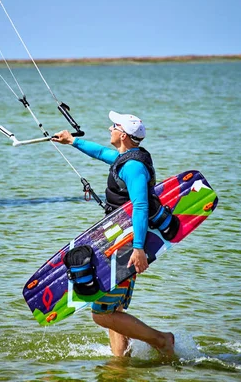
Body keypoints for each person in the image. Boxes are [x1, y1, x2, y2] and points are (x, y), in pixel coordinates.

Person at [52, 110, 175, 358]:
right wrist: (71, 140)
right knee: (114, 308)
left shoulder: (133, 167)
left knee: (101, 314)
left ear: (124, 135)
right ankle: (121, 362)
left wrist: (138, 248)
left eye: (113, 126)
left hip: (127, 244)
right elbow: (100, 153)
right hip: (120, 239)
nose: (109, 129)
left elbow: (140, 206)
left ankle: (161, 340)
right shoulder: (126, 158)